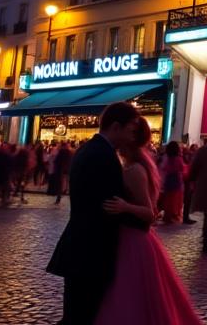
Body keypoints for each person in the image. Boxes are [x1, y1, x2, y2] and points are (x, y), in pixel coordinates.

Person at [94, 116, 203, 324]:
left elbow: (149, 212)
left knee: (129, 298)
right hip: (134, 239)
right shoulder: (135, 165)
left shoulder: (134, 170)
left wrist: (125, 207)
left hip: (133, 242)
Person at [47, 103, 141, 325]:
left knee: (75, 315)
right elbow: (110, 204)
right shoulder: (103, 155)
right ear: (116, 127)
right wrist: (141, 215)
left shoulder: (90, 149)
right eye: (131, 129)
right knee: (82, 316)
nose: (133, 135)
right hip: (92, 251)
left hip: (81, 247)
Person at [158, 141, 187, 224]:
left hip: (168, 178)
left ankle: (167, 216)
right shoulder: (178, 158)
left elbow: (163, 168)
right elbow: (182, 168)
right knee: (175, 198)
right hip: (176, 179)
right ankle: (173, 216)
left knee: (168, 198)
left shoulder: (166, 157)